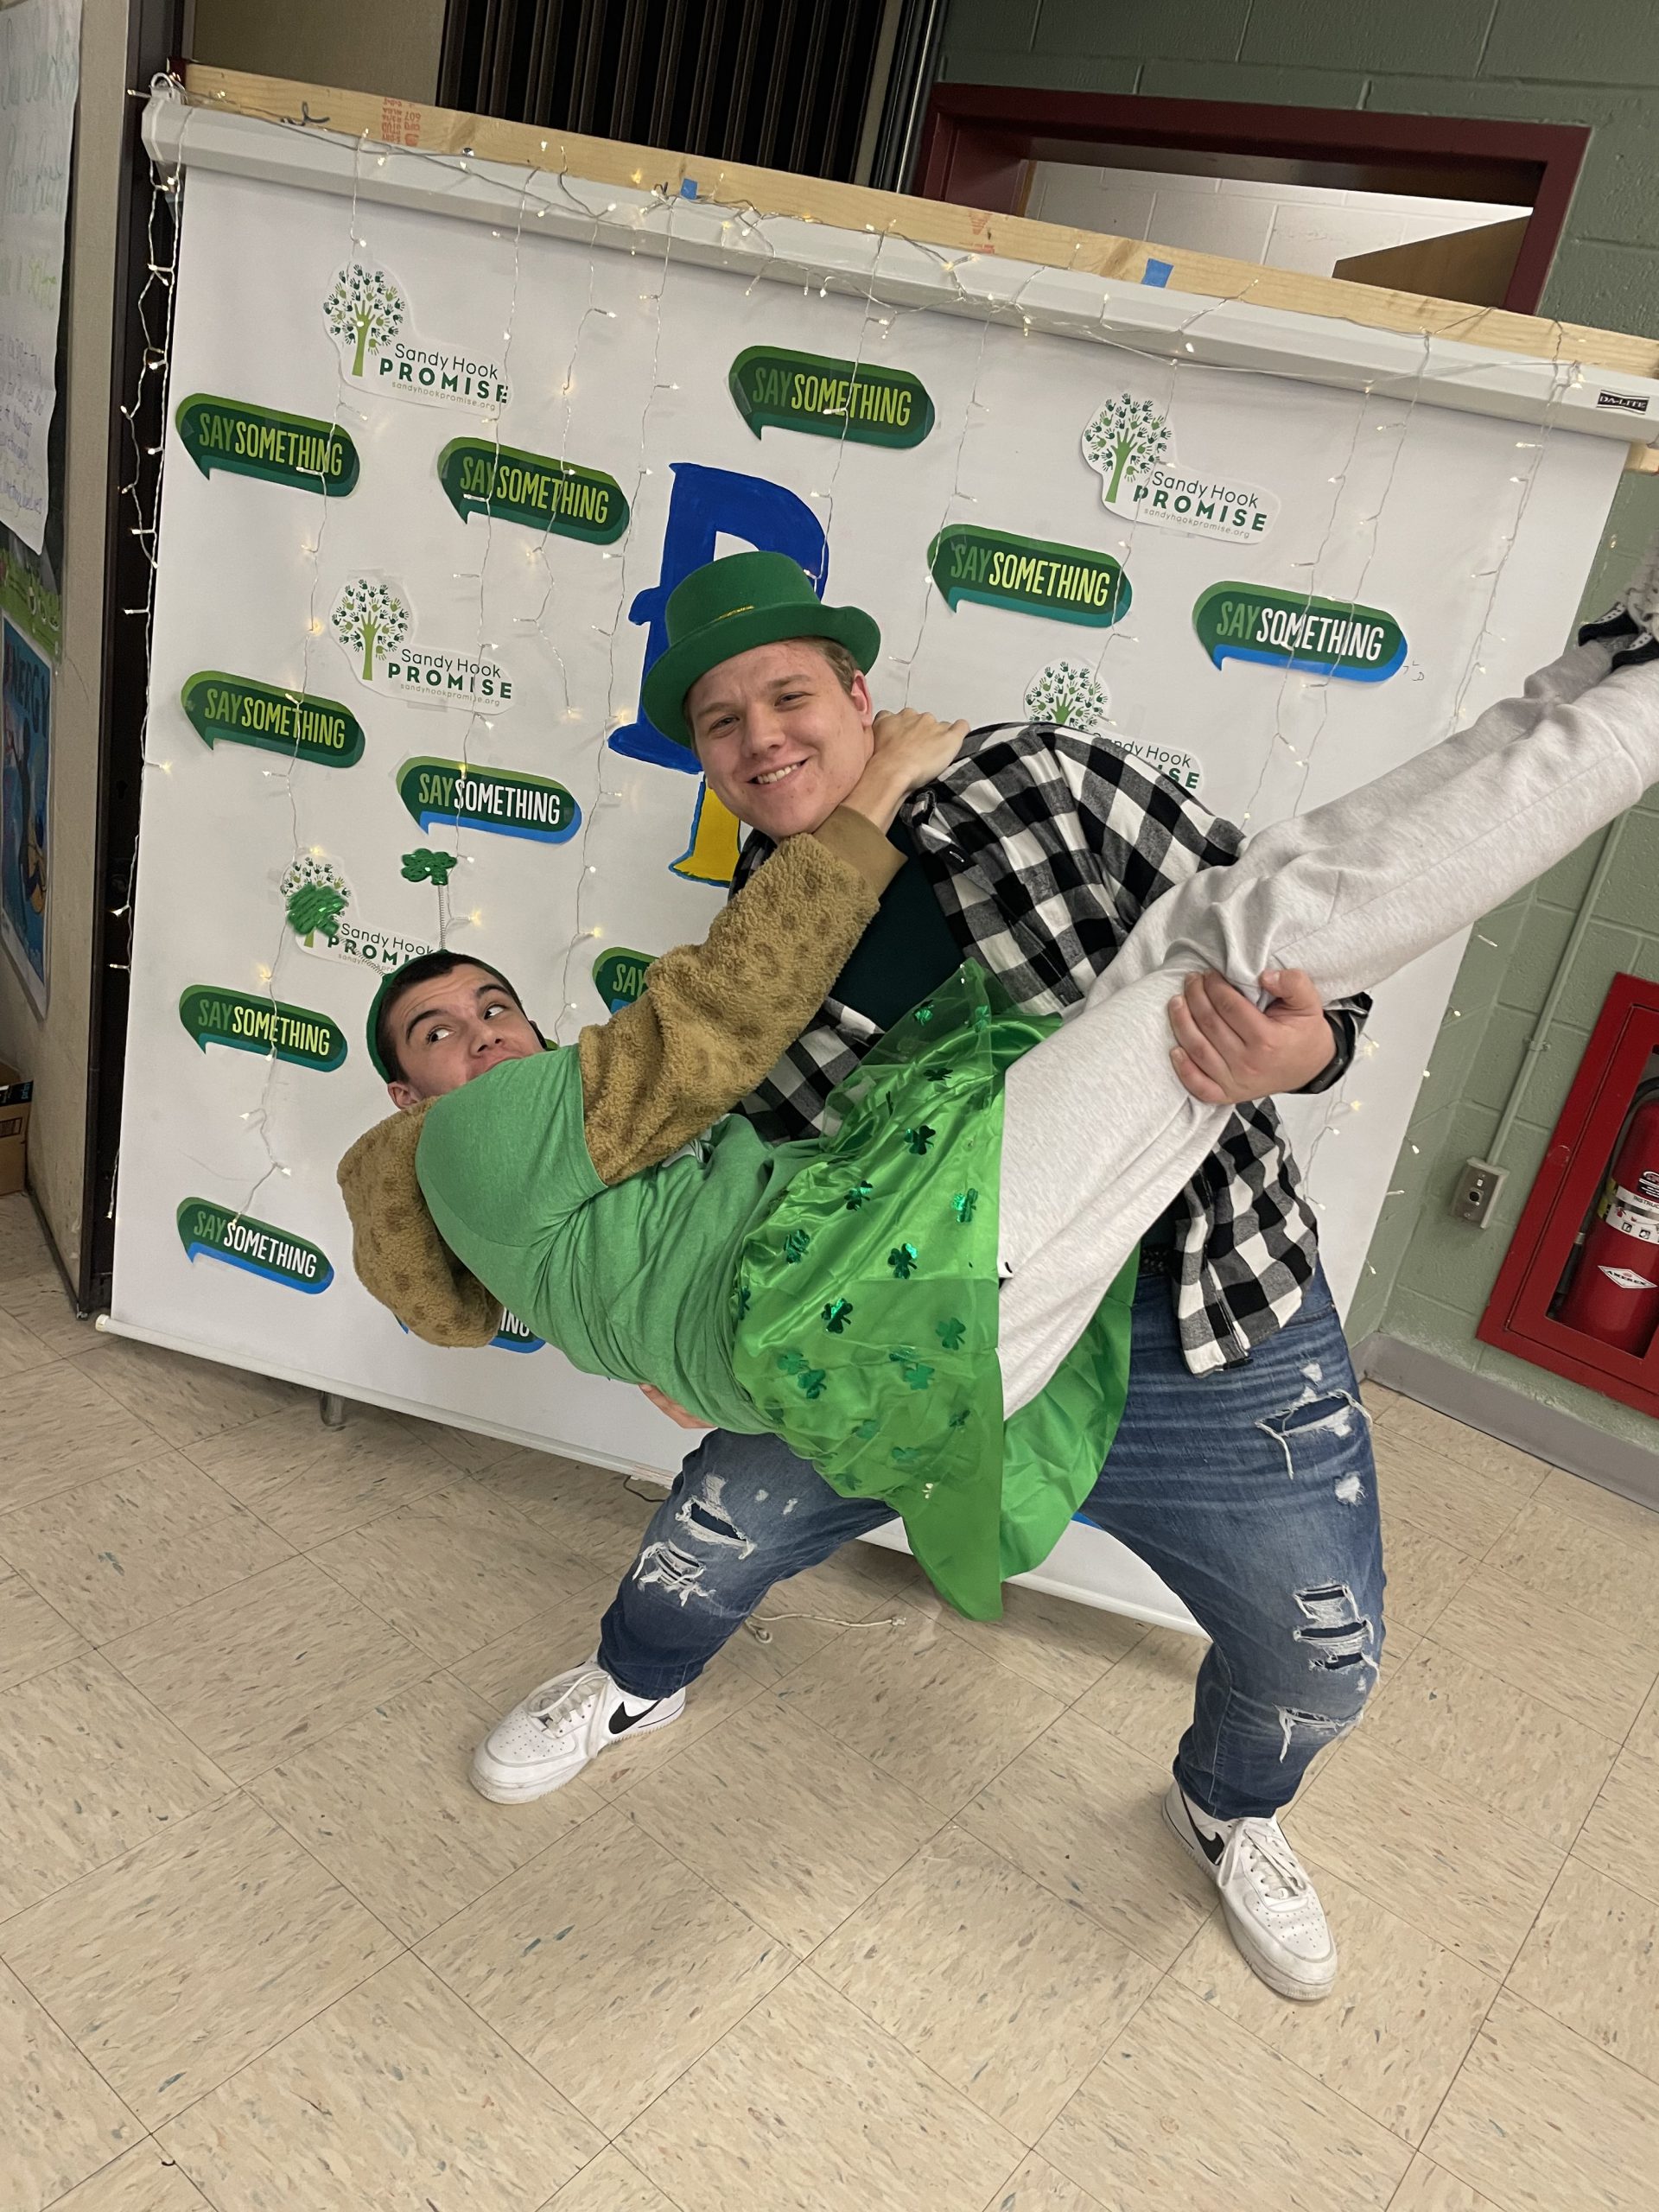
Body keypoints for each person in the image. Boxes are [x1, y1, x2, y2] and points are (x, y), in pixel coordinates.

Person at [340, 545, 1659, 2004]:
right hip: (921, 1314)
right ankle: (635, 1681)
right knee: (710, 1530)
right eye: (723, 724)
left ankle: (1231, 1805)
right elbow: (718, 1146)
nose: (763, 740)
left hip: (1199, 1311)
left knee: (1321, 1655)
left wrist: (1309, 1048)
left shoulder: (1046, 782)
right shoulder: (777, 921)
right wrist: (662, 1339)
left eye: (789, 697)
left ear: (859, 693)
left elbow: (1313, 953)